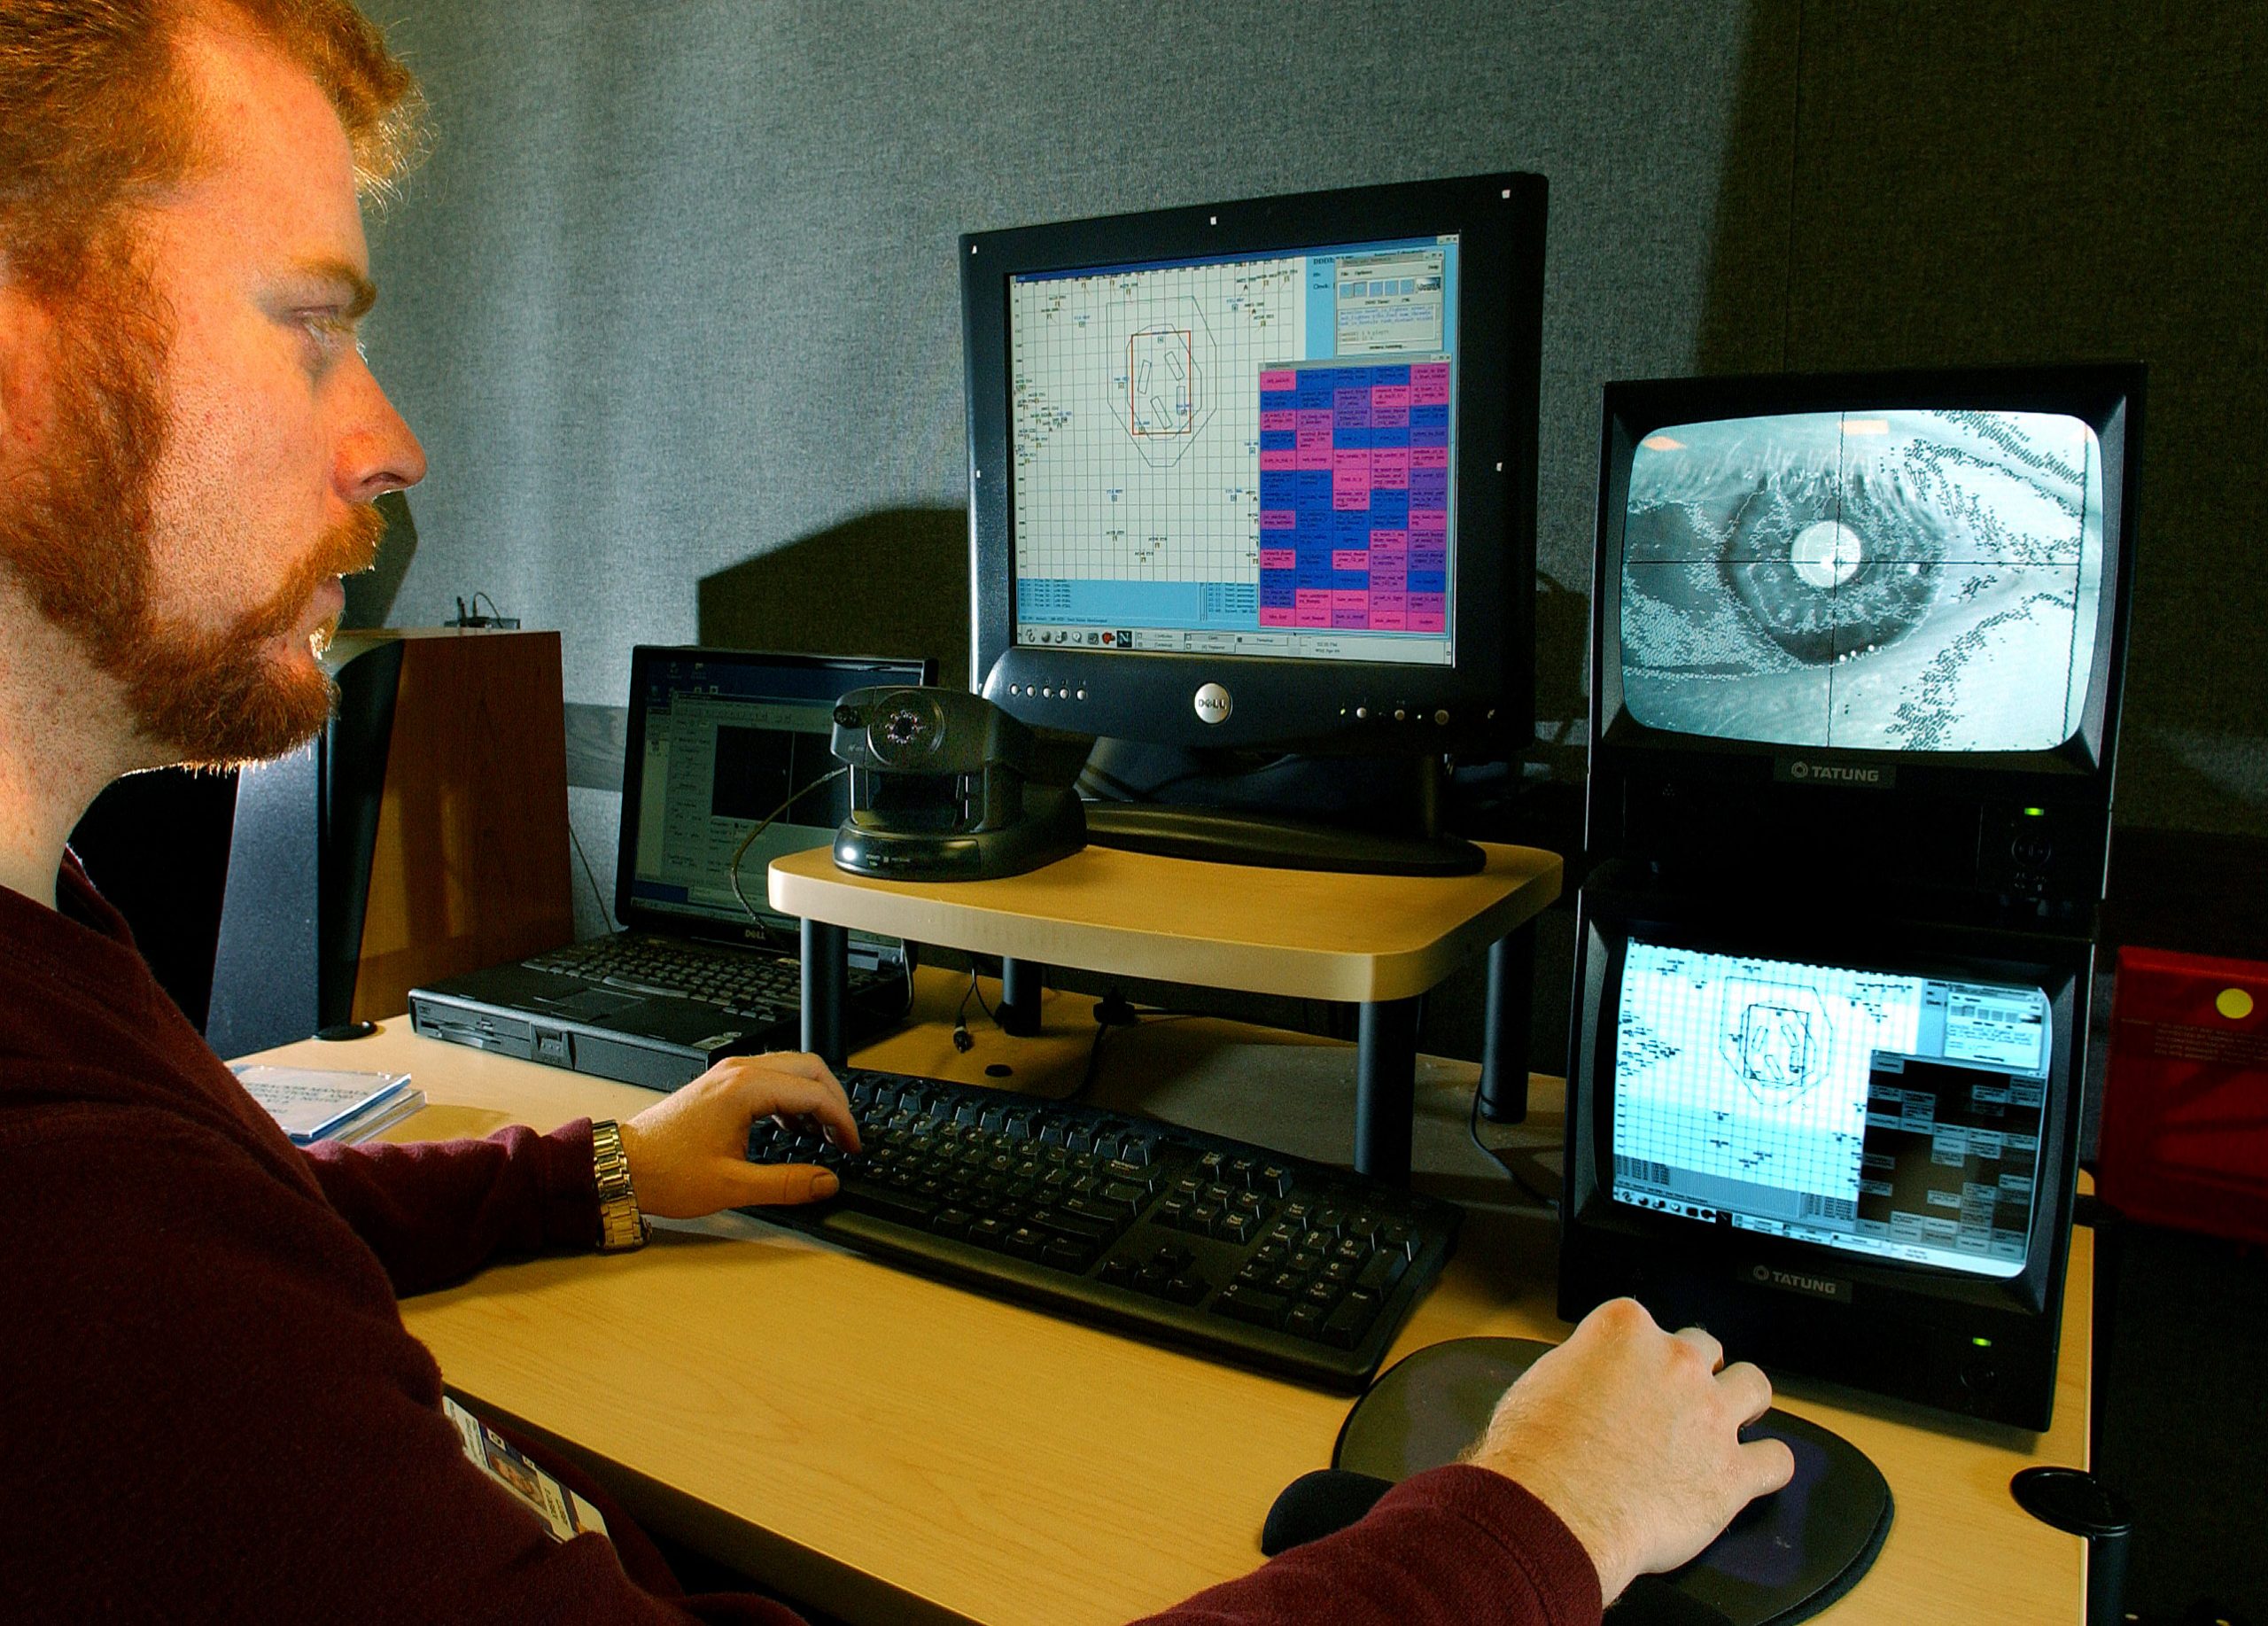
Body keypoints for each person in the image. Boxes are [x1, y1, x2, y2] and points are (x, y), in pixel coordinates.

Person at [0, 3, 1794, 1622]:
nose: (395, 441)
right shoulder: (66, 1212)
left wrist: (600, 1166)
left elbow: (237, 1256)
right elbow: (165, 1290)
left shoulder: (66, 989)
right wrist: (1539, 1516)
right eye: (311, 327)